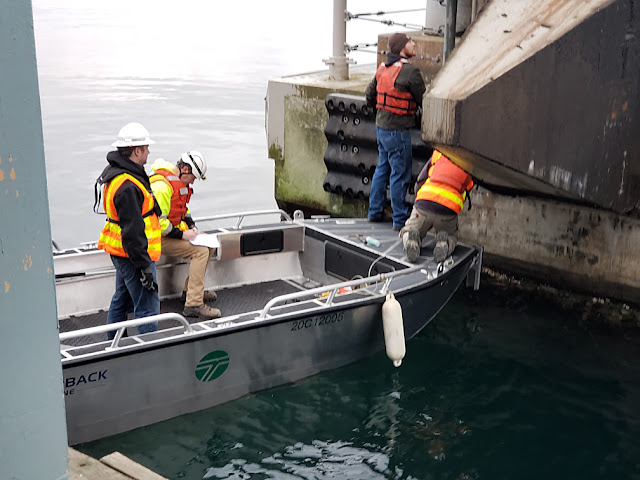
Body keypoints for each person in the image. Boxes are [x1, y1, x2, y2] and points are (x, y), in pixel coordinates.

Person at [96, 122, 162, 339]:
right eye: (146, 148)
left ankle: (113, 346)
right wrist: (143, 267)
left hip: (122, 252)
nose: (148, 152)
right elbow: (133, 232)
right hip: (133, 256)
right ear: (136, 151)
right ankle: (150, 352)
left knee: (122, 299)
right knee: (147, 307)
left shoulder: (123, 175)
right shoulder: (127, 186)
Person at [365, 32, 426, 231]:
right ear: (402, 47)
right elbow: (423, 100)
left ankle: (374, 211)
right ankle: (399, 219)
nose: (414, 44)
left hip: (381, 128)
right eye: (410, 42)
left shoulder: (382, 68)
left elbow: (369, 95)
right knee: (400, 174)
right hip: (398, 131)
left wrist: (382, 113)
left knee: (382, 169)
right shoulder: (411, 72)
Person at [149, 152, 221, 319]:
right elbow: (158, 223)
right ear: (185, 169)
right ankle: (193, 304)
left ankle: (191, 291)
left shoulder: (177, 183)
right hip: (153, 238)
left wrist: (192, 228)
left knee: (208, 247)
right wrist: (182, 235)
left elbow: (182, 210)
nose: (193, 182)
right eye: (194, 178)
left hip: (166, 234)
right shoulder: (162, 186)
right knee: (200, 251)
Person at [399, 149, 474, 263]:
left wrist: (419, 200)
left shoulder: (439, 153)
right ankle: (444, 243)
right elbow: (467, 188)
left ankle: (411, 240)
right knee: (451, 236)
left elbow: (421, 179)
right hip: (447, 211)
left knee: (408, 230)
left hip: (424, 204)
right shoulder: (470, 163)